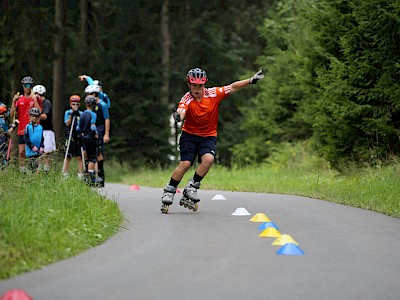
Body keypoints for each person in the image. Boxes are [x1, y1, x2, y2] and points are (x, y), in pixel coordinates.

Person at [160, 68, 264, 213]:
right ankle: (169, 190)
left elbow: (232, 87)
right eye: (194, 86)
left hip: (208, 136)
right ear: (189, 85)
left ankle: (192, 186)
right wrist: (178, 117)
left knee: (208, 159)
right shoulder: (187, 99)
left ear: (204, 85)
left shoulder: (213, 94)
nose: (197, 89)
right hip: (189, 136)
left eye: (200, 86)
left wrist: (251, 80)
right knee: (185, 164)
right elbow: (182, 111)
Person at [10, 76, 42, 172]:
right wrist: (13, 101)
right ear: (23, 86)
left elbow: (39, 112)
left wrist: (34, 99)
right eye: (25, 85)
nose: (27, 87)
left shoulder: (36, 98)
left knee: (34, 152)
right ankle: (23, 171)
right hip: (22, 129)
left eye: (29, 85)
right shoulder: (20, 99)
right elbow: (12, 114)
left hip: (33, 129)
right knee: (21, 152)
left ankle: (34, 170)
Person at [84, 84, 110, 187]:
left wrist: (106, 134)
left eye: (89, 94)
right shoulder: (90, 105)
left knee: (98, 152)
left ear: (94, 94)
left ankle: (100, 176)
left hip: (99, 131)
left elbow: (107, 119)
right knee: (89, 152)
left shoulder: (102, 105)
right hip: (89, 133)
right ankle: (90, 176)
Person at [33, 85, 55, 172]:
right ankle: (38, 170)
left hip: (47, 130)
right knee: (39, 152)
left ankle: (46, 170)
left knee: (47, 152)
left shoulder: (46, 103)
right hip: (38, 130)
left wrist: (34, 117)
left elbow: (44, 116)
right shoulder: (35, 103)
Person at [78, 95, 99, 185]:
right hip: (91, 137)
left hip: (83, 137)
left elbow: (78, 127)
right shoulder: (93, 114)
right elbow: (93, 126)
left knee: (85, 156)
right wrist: (97, 134)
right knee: (92, 157)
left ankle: (84, 174)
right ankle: (90, 176)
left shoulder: (82, 114)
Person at [63, 95, 84, 178]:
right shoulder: (67, 113)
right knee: (68, 155)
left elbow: (82, 124)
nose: (75, 106)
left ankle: (80, 174)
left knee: (79, 156)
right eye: (73, 104)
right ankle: (65, 173)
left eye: (77, 104)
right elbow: (67, 123)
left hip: (78, 135)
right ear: (70, 104)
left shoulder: (81, 113)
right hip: (70, 134)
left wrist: (78, 115)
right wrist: (72, 116)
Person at [23, 107, 44, 173]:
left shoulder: (40, 127)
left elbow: (42, 138)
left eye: (36, 116)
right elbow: (26, 138)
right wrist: (31, 146)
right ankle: (29, 177)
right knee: (30, 165)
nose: (34, 118)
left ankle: (35, 176)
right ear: (30, 117)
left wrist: (41, 146)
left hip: (38, 151)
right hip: (30, 151)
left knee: (36, 165)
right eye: (33, 116)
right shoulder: (28, 127)